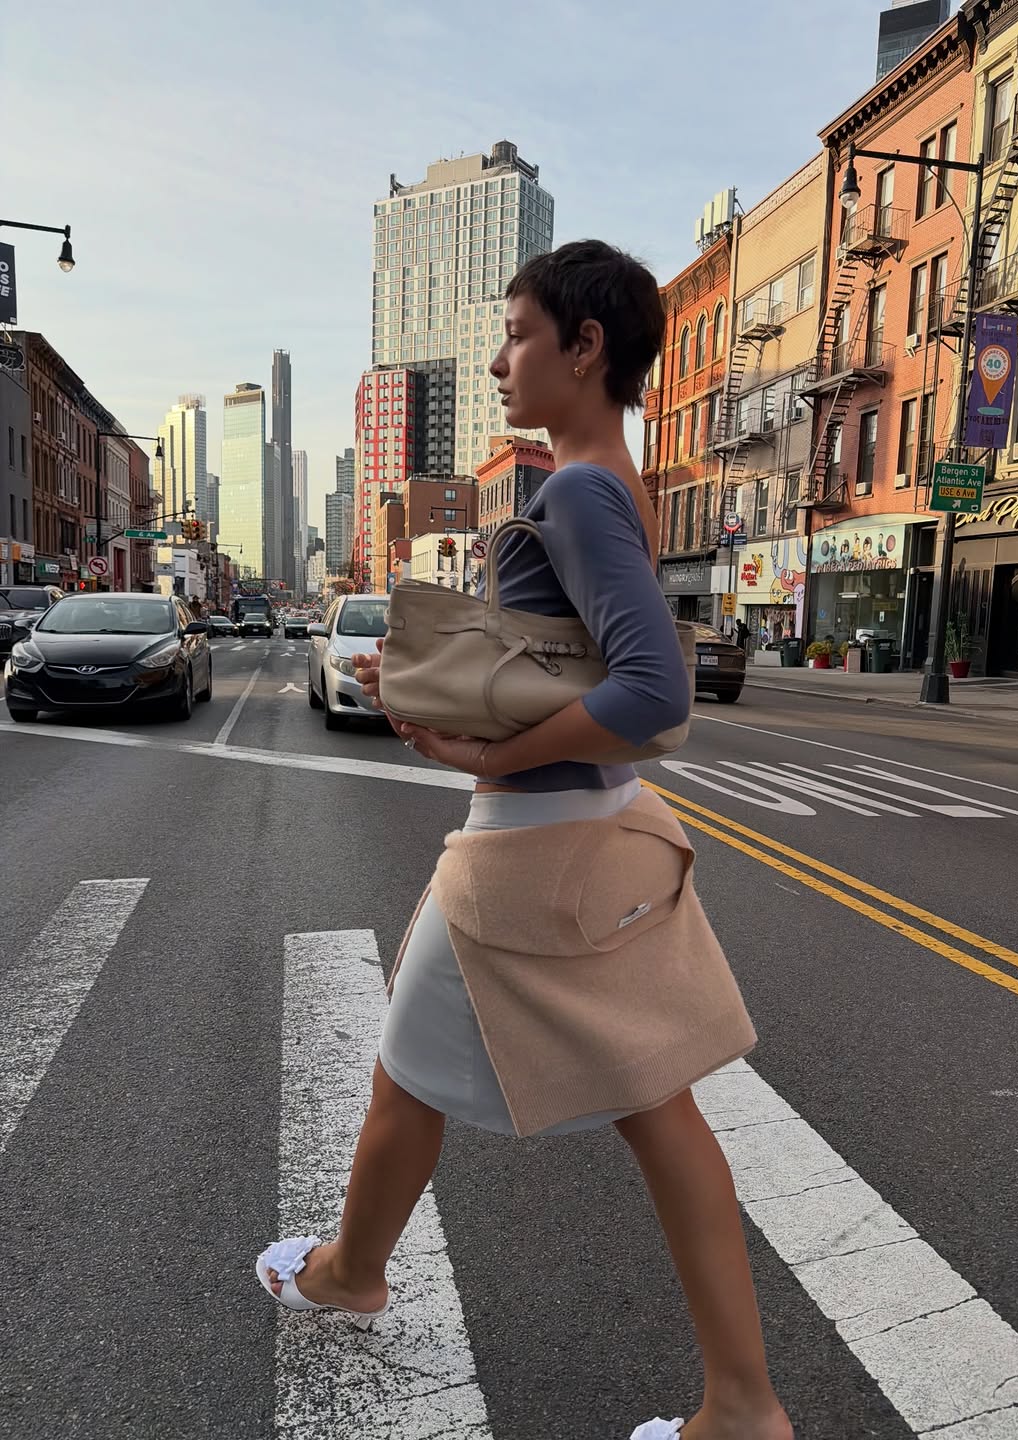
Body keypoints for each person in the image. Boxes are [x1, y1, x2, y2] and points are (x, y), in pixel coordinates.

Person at [255, 241, 793, 1440]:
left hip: (529, 856)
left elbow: (653, 694)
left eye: (516, 335)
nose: (500, 363)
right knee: (656, 1108)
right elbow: (577, 671)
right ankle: (741, 1406)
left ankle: (349, 1275)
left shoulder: (581, 491)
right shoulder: (610, 482)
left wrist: (488, 759)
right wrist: (454, 705)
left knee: (408, 1077)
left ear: (584, 347)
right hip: (593, 833)